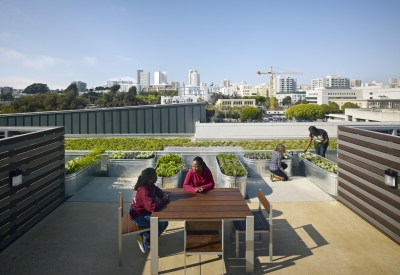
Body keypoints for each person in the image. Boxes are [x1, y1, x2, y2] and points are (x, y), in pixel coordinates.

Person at [129, 168, 170, 253]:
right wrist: (164, 200)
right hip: (138, 217)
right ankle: (147, 241)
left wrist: (162, 195)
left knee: (159, 218)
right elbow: (153, 207)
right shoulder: (144, 191)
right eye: (155, 177)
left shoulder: (149, 184)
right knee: (163, 222)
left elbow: (156, 189)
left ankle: (145, 234)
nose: (157, 178)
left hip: (140, 212)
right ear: (149, 179)